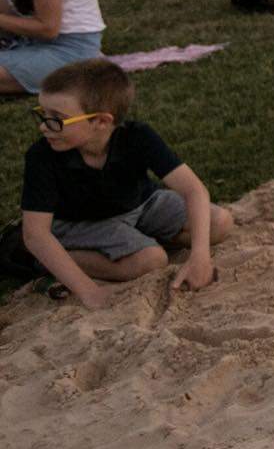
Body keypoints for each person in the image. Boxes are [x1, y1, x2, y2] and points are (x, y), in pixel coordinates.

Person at [17, 59, 232, 308]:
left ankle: (134, 242)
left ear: (101, 121)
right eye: (43, 114)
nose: (44, 126)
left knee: (220, 223)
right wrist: (89, 291)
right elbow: (35, 234)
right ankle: (43, 262)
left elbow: (193, 189)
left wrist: (200, 258)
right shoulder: (43, 156)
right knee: (151, 260)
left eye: (57, 119)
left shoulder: (138, 136)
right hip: (82, 224)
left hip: (141, 205)